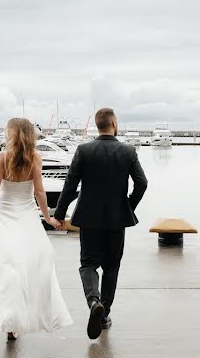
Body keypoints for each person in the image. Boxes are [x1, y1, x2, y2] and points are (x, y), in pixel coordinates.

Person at [0, 118, 72, 341]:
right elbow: (40, 193)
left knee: (6, 268)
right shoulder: (35, 159)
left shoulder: (2, 159)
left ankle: (10, 320)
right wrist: (48, 218)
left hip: (4, 217)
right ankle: (21, 314)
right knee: (32, 265)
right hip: (27, 217)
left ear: (12, 135)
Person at [54, 108, 148, 340]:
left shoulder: (84, 150)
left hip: (89, 218)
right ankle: (104, 314)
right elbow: (142, 183)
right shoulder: (128, 151)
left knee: (88, 264)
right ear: (114, 123)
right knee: (112, 266)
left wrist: (60, 213)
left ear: (97, 125)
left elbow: (70, 185)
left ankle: (93, 301)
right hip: (117, 220)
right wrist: (128, 207)